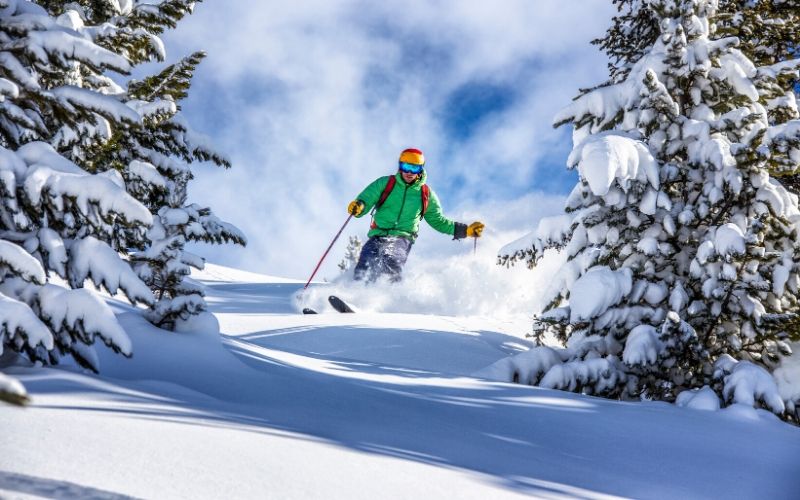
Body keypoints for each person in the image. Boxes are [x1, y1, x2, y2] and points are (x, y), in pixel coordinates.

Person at [347, 148, 484, 282]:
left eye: (415, 168)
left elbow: (438, 221)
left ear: (421, 169)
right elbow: (367, 198)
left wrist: (466, 230)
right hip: (378, 234)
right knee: (365, 262)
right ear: (400, 166)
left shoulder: (426, 194)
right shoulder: (386, 183)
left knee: (391, 258)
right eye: (406, 166)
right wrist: (359, 206)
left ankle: (388, 295)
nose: (409, 172)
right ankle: (358, 294)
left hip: (402, 237)